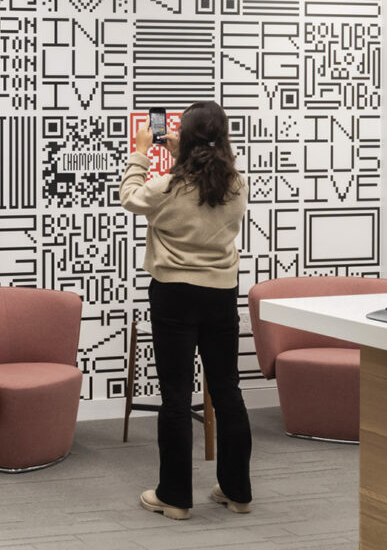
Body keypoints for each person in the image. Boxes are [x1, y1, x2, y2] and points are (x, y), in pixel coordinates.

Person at [119, 101, 251, 521]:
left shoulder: (168, 187)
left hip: (174, 294)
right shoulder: (236, 185)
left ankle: (175, 498)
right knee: (227, 391)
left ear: (188, 138)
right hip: (220, 295)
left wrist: (141, 151)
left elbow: (130, 197)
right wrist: (183, 154)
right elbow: (203, 185)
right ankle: (238, 491)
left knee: (175, 396)